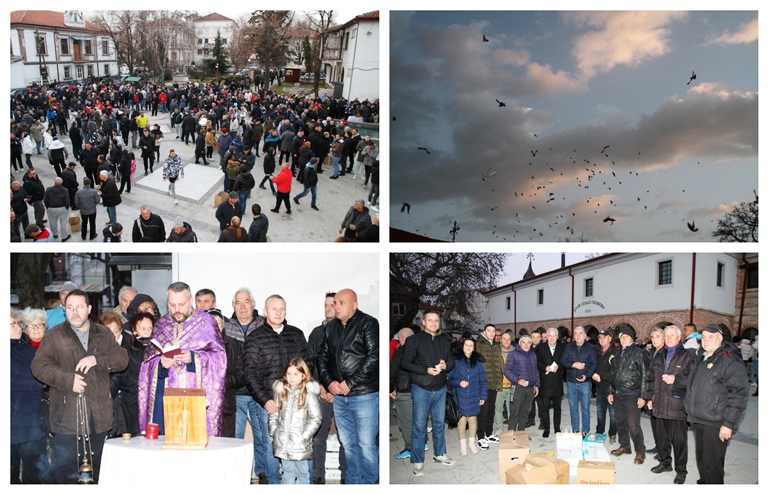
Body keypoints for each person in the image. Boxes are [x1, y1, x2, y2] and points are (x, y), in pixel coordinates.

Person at [31, 289, 129, 483]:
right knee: (67, 475)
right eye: (69, 308)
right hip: (67, 419)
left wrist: (97, 359)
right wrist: (68, 380)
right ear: (64, 310)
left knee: (99, 474)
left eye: (79, 307)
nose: (74, 312)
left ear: (89, 308)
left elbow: (122, 359)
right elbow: (38, 367)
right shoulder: (54, 336)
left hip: (99, 418)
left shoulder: (103, 333)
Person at [137, 282, 227, 436]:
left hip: (194, 399)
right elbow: (147, 364)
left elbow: (220, 358)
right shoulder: (160, 324)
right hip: (165, 398)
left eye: (181, 304)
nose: (177, 310)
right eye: (172, 305)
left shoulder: (207, 322)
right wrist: (160, 363)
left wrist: (194, 358)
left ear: (190, 301)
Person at [243, 294, 313, 485]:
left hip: (298, 402)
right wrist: (265, 400)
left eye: (282, 308)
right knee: (271, 444)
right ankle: (274, 483)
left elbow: (308, 365)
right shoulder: (255, 338)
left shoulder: (296, 334)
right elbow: (250, 373)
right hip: (269, 402)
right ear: (265, 311)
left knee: (302, 441)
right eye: (274, 308)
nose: (278, 312)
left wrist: (304, 394)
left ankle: (304, 482)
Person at [315, 289, 380, 483]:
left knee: (366, 444)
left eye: (341, 303)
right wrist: (330, 383)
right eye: (335, 303)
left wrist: (349, 384)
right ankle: (353, 483)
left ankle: (370, 483)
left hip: (364, 395)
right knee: (349, 444)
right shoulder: (329, 328)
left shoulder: (368, 323)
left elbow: (374, 357)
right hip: (339, 398)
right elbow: (321, 357)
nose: (336, 307)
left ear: (355, 305)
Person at [684, 324, 749, 484]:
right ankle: (705, 482)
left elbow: (739, 394)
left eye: (710, 337)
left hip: (716, 421)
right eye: (703, 337)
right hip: (699, 418)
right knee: (701, 458)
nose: (706, 341)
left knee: (712, 464)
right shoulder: (701, 358)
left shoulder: (730, 361)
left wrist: (728, 423)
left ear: (720, 338)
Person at [399, 310, 455, 478]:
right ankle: (418, 461)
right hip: (421, 388)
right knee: (419, 426)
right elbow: (405, 363)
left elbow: (452, 362)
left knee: (439, 424)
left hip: (440, 388)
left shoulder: (444, 341)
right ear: (423, 322)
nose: (433, 323)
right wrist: (425, 370)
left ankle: (440, 454)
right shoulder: (413, 340)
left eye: (436, 320)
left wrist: (446, 366)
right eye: (430, 320)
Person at [644, 325, 694, 484]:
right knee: (662, 438)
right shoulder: (659, 355)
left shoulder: (688, 355)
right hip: (659, 404)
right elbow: (651, 379)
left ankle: (681, 471)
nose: (670, 338)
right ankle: (665, 463)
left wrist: (676, 380)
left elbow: (693, 379)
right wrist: (648, 398)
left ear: (679, 338)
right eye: (667, 336)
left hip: (677, 406)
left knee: (679, 442)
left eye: (673, 335)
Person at [307, 293, 347, 483]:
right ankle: (318, 476)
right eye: (326, 305)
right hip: (320, 392)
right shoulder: (316, 333)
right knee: (318, 437)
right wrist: (320, 388)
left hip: (342, 393)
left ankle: (346, 476)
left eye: (333, 304)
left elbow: (349, 364)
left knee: (345, 438)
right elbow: (310, 364)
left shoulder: (348, 331)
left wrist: (335, 389)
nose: (330, 308)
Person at [269, 358, 322, 484]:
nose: (291, 377)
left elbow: (316, 418)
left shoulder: (308, 394)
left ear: (303, 375)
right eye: (289, 374)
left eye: (296, 374)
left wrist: (304, 436)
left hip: (300, 444)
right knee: (287, 472)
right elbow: (274, 414)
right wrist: (275, 432)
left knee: (302, 473)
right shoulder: (280, 393)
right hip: (283, 443)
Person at [11, 308, 48, 484]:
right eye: (12, 324)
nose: (18, 328)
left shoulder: (27, 348)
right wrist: (40, 383)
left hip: (32, 420)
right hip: (11, 420)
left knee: (34, 471)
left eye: (19, 324)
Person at [109, 311, 155, 438]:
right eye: (143, 328)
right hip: (133, 402)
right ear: (134, 330)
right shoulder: (126, 349)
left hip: (153, 401)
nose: (147, 332)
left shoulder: (157, 348)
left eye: (150, 328)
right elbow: (121, 377)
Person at [608, 326, 648, 465]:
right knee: (620, 423)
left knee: (633, 425)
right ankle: (625, 446)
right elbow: (612, 374)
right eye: (621, 336)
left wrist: (642, 396)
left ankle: (640, 451)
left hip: (632, 394)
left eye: (626, 336)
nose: (623, 338)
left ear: (632, 338)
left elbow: (644, 375)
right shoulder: (617, 353)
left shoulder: (640, 353)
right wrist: (610, 392)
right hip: (618, 394)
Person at [390, 327, 428, 460]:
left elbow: (392, 371)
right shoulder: (421, 350)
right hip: (421, 389)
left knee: (406, 421)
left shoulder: (401, 352)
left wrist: (390, 389)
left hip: (405, 390)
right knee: (420, 417)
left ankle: (410, 448)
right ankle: (423, 442)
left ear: (401, 338)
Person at [447, 337, 487, 457]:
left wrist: (483, 396)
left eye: (471, 345)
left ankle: (472, 443)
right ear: (462, 346)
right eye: (466, 345)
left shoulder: (478, 362)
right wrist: (459, 382)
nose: (469, 347)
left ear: (474, 348)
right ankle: (463, 446)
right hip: (460, 396)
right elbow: (448, 379)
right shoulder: (456, 361)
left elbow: (483, 381)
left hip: (474, 395)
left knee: (473, 420)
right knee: (462, 420)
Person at [561, 326, 597, 435]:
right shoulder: (568, 347)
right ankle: (575, 430)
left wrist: (586, 375)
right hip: (571, 382)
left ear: (585, 335)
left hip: (585, 383)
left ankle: (585, 431)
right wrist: (573, 365)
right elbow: (563, 361)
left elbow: (593, 364)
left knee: (585, 408)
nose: (578, 335)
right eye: (576, 333)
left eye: (580, 333)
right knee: (573, 408)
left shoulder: (591, 347)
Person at [504, 332, 540, 432]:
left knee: (525, 412)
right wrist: (517, 380)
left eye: (528, 342)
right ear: (520, 343)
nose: (526, 344)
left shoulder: (533, 355)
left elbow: (535, 370)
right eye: (523, 342)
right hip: (518, 388)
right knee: (515, 412)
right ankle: (511, 434)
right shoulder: (513, 354)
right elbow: (506, 370)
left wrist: (536, 385)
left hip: (530, 388)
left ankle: (521, 434)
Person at [535, 327, 565, 438]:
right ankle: (546, 429)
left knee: (557, 407)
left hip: (557, 382)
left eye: (554, 336)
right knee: (545, 407)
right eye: (550, 336)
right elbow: (537, 362)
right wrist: (545, 367)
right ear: (546, 337)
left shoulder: (562, 347)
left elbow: (565, 361)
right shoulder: (540, 347)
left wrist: (560, 367)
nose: (552, 338)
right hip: (545, 382)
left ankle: (557, 428)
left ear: (557, 337)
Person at [592, 329, 618, 444]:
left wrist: (601, 376)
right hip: (599, 387)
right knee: (600, 412)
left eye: (604, 337)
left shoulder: (615, 352)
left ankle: (612, 433)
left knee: (613, 414)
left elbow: (615, 371)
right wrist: (592, 373)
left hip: (611, 388)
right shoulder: (596, 351)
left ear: (610, 338)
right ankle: (599, 432)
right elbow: (593, 365)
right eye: (600, 337)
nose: (601, 339)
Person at [43, 177, 71, 242]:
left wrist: (47, 206)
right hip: (62, 208)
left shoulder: (48, 189)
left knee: (52, 222)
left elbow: (46, 199)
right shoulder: (65, 190)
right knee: (63, 223)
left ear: (54, 182)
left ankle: (54, 234)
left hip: (51, 208)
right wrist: (66, 207)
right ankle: (64, 236)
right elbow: (67, 200)